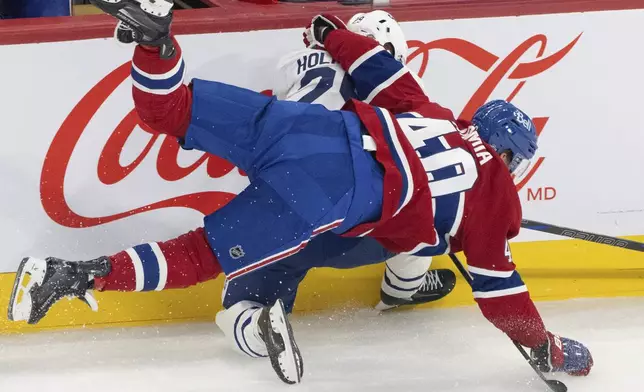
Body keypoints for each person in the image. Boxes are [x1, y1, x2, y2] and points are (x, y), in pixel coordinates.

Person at [8, 1, 593, 385]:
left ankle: (155, 44)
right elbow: (502, 292)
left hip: (302, 128)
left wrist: (330, 31)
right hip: (324, 191)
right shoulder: (495, 200)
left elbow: (379, 72)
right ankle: (71, 275)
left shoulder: (435, 114)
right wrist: (544, 347)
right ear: (511, 156)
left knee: (173, 108)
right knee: (200, 254)